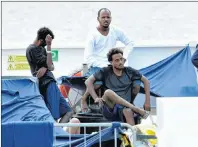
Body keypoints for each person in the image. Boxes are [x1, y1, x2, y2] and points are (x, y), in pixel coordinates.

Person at [82, 8, 134, 111]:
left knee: (128, 82)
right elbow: (88, 57)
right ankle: (84, 99)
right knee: (97, 84)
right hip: (96, 66)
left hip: (111, 65)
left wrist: (124, 58)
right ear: (98, 19)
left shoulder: (115, 31)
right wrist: (104, 66)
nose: (106, 19)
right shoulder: (92, 34)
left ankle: (126, 106)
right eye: (103, 17)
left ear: (111, 18)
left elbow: (130, 43)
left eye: (108, 17)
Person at [26, 27, 79, 127]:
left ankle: (57, 131)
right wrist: (49, 48)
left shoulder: (41, 49)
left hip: (51, 82)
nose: (46, 45)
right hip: (47, 84)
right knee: (53, 115)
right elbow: (49, 65)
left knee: (69, 112)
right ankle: (54, 135)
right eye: (46, 43)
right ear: (42, 40)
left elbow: (51, 66)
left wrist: (46, 67)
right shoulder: (32, 49)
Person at [85, 48, 150, 126]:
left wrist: (147, 102)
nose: (120, 62)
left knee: (128, 110)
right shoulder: (105, 71)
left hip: (125, 106)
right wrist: (96, 98)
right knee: (108, 92)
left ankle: (132, 135)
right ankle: (136, 109)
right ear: (111, 62)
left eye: (121, 59)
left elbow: (146, 81)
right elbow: (88, 81)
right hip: (109, 106)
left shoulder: (130, 71)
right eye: (117, 60)